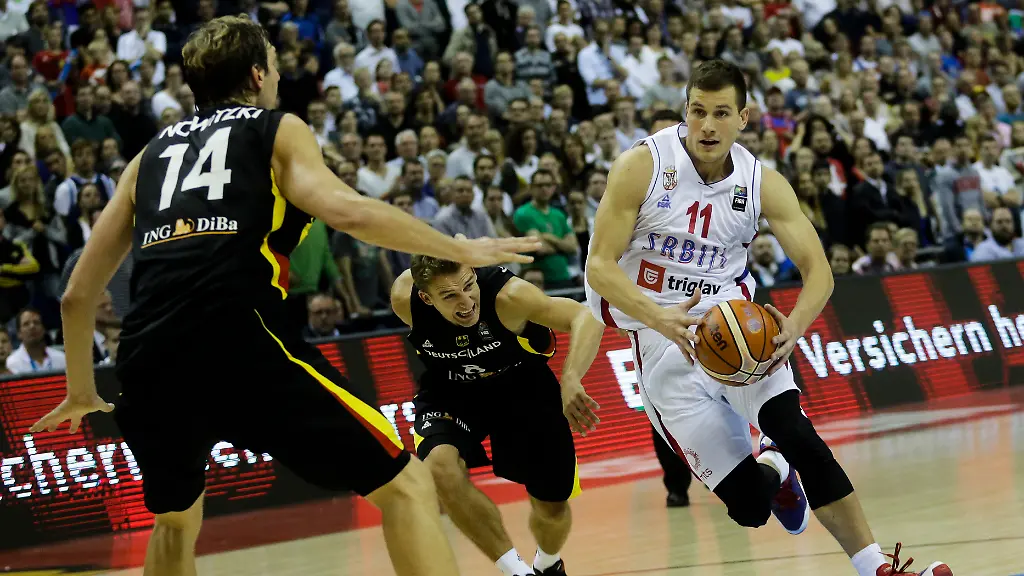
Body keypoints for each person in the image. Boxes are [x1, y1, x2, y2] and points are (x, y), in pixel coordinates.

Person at [30, 16, 543, 576]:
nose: (276, 75)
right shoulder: (276, 128)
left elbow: (77, 294)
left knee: (174, 523)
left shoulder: (147, 157)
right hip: (240, 339)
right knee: (407, 486)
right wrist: (458, 249)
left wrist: (80, 390)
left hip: (147, 361)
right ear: (257, 75)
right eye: (273, 64)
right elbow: (347, 212)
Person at [585, 60, 952, 576]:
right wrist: (661, 317)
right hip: (660, 340)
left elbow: (818, 270)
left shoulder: (762, 183)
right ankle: (775, 468)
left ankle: (875, 567)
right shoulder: (641, 167)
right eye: (697, 111)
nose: (707, 125)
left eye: (721, 113)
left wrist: (794, 326)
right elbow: (599, 267)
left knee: (800, 434)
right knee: (750, 508)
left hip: (737, 325)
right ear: (684, 111)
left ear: (743, 117)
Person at [390, 252, 602, 576]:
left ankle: (548, 563)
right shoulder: (404, 299)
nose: (466, 303)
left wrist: (571, 377)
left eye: (468, 286)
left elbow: (585, 316)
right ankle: (517, 572)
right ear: (426, 298)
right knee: (440, 469)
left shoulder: (509, 297)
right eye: (450, 296)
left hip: (524, 389)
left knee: (552, 508)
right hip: (450, 391)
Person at [645, 108, 694, 508]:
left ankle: (731, 467)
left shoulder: (711, 183)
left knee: (725, 388)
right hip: (654, 313)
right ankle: (677, 484)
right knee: (662, 406)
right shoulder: (637, 187)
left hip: (705, 304)